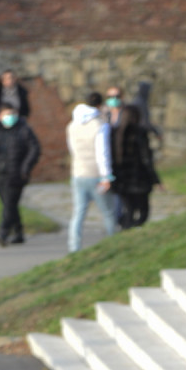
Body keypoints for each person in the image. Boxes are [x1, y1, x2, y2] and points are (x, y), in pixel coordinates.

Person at [0, 105, 40, 246]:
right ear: (0, 116)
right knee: (8, 204)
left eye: (12, 113)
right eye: (6, 114)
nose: (9, 117)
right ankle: (18, 233)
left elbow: (34, 148)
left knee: (9, 204)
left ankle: (3, 233)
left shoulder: (23, 129)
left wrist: (25, 167)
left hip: (17, 174)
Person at [66, 92, 117, 254]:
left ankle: (74, 246)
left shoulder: (72, 125)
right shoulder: (100, 125)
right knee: (108, 212)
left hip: (78, 173)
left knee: (78, 212)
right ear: (100, 106)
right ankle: (113, 243)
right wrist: (106, 176)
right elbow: (102, 153)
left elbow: (72, 149)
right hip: (95, 174)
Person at [112, 104, 160, 229]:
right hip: (140, 180)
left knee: (129, 210)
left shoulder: (116, 133)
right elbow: (146, 159)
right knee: (143, 212)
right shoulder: (140, 133)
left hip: (123, 180)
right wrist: (155, 179)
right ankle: (132, 230)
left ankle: (127, 230)